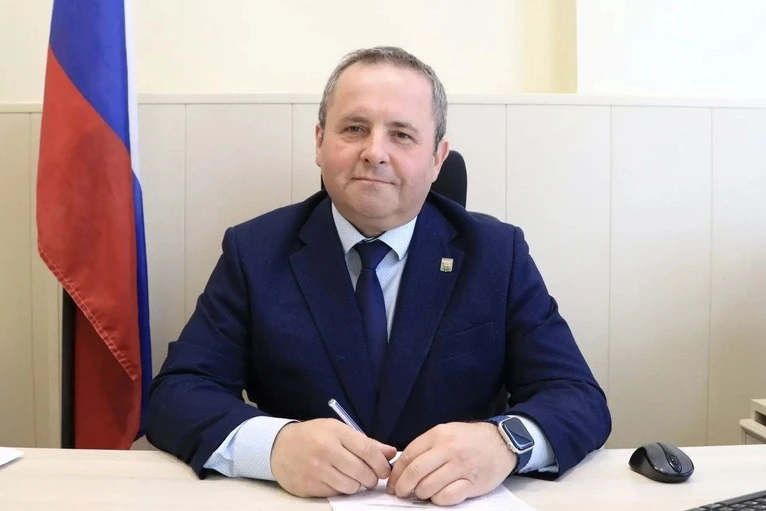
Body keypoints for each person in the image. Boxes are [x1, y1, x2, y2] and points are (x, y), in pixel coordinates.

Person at [146, 46, 611, 506]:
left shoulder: (495, 254)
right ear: (319, 142)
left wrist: (505, 443)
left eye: (402, 135)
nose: (374, 153)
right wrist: (273, 447)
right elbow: (177, 394)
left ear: (437, 159)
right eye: (354, 128)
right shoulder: (255, 251)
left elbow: (578, 397)